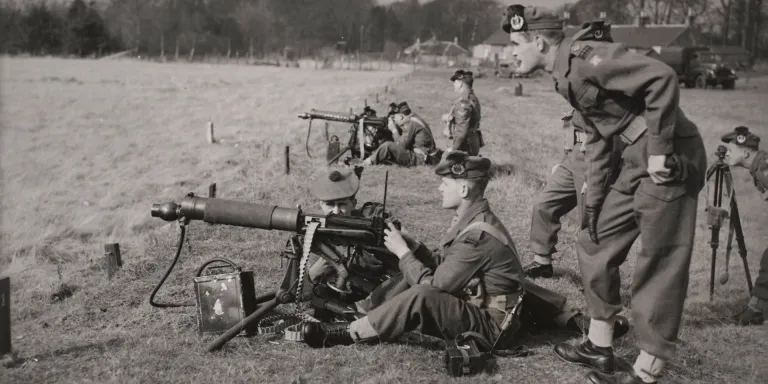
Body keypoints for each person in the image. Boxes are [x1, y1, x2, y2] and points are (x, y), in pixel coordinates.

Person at [501, 5, 707, 384]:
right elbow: (596, 137)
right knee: (593, 240)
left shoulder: (584, 58)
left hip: (669, 157)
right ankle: (599, 347)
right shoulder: (564, 73)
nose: (509, 53)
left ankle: (646, 371)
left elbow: (661, 78)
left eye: (515, 44)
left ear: (538, 41)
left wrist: (660, 150)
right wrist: (593, 204)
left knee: (659, 259)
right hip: (634, 159)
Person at [300, 151, 629, 350]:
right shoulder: (473, 218)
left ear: (464, 187)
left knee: (421, 294)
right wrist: (412, 244)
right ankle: (572, 318)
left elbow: (434, 286)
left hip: (493, 329)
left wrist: (403, 253)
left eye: (445, 184)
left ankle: (346, 333)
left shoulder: (475, 236)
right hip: (495, 304)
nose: (439, 188)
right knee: (444, 275)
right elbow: (445, 265)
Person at [527, 111, 628, 279]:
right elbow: (574, 120)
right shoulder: (583, 86)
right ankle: (542, 262)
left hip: (598, 155)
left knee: (590, 224)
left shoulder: (614, 86)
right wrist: (566, 156)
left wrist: (596, 173)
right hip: (575, 154)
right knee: (544, 204)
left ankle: (598, 283)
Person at [294, 167, 396, 315]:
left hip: (375, 288)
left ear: (353, 203)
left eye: (341, 204)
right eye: (329, 204)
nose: (336, 211)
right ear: (321, 204)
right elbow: (309, 281)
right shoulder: (316, 231)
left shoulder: (368, 222)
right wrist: (328, 259)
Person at [720, 126, 768, 326]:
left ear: (746, 152)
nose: (726, 152)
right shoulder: (759, 166)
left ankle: (757, 309)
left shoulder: (765, 168)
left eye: (731, 149)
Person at [363, 101, 441, 167]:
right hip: (426, 156)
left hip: (422, 159)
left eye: (394, 117)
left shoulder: (411, 123)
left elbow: (400, 145)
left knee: (388, 146)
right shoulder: (414, 119)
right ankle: (374, 158)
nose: (394, 120)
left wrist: (394, 130)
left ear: (401, 116)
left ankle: (367, 162)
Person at [442, 70, 483, 156]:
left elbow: (462, 128)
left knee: (443, 162)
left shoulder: (464, 102)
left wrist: (454, 148)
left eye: (455, 82)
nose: (454, 84)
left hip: (466, 146)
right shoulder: (472, 98)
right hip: (471, 142)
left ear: (461, 83)